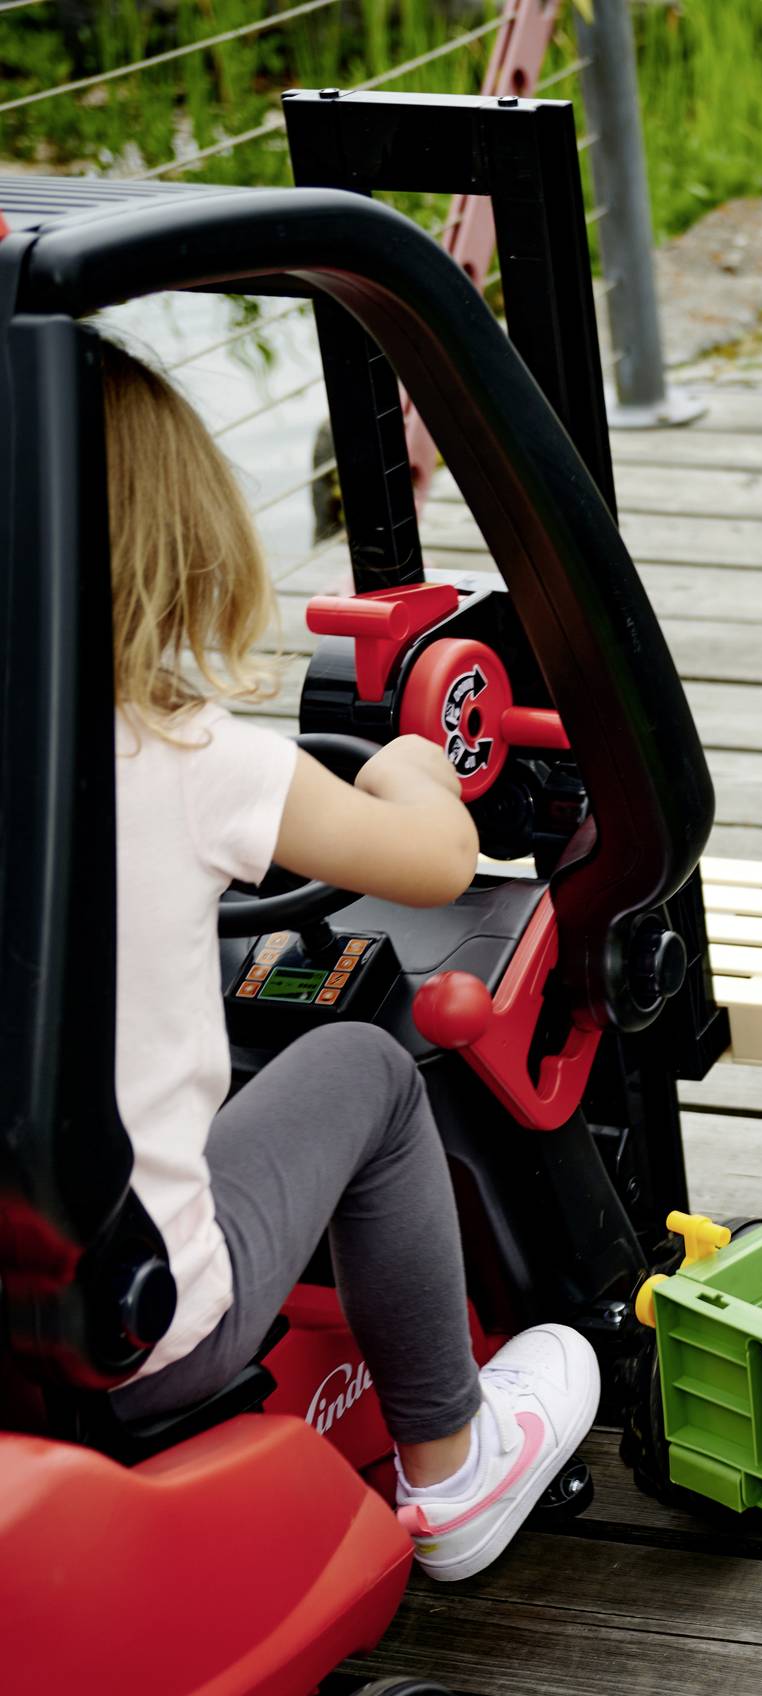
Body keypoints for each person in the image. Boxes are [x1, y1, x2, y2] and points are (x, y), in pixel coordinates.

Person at [99, 344, 598, 1583]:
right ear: (180, 548)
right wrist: (414, 766)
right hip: (133, 1332)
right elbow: (436, 860)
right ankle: (454, 1464)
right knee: (366, 1066)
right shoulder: (193, 759)